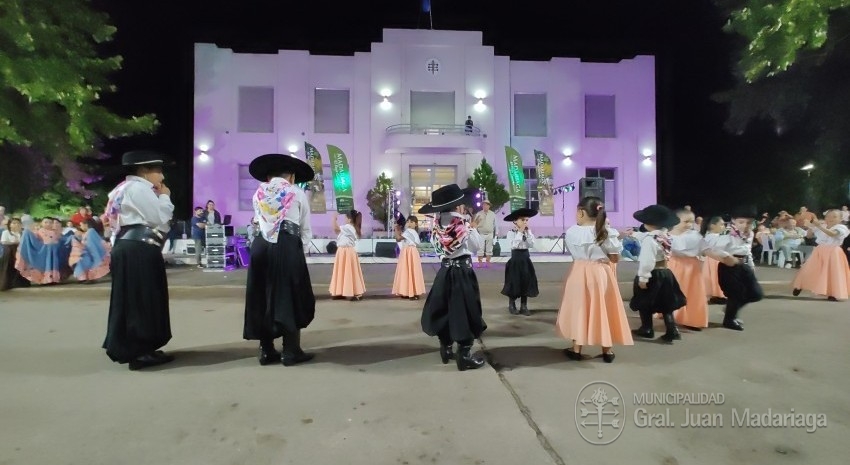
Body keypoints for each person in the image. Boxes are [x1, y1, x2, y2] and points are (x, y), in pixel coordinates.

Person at [102, 150, 175, 370]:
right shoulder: (138, 188)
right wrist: (165, 197)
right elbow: (159, 218)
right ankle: (140, 350)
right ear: (144, 171)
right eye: (158, 171)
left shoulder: (121, 189)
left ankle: (141, 346)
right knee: (143, 297)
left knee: (133, 297)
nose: (161, 177)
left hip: (128, 246)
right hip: (139, 248)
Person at [243, 153, 316, 366]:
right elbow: (305, 228)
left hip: (261, 245)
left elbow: (259, 222)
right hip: (286, 243)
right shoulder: (296, 192)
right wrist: (297, 250)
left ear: (268, 176)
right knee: (290, 294)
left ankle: (266, 350)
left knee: (262, 294)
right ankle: (291, 350)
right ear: (291, 176)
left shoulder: (258, 193)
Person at [419, 184, 487, 371]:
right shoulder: (462, 226)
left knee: (445, 310)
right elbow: (475, 246)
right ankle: (464, 356)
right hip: (462, 273)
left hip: (445, 272)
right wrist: (472, 228)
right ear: (457, 206)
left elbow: (439, 249)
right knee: (466, 312)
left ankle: (446, 349)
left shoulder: (436, 226)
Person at [556, 196, 631, 363]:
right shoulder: (606, 232)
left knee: (579, 309)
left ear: (581, 212)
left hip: (577, 271)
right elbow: (615, 258)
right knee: (604, 308)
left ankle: (577, 349)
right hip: (600, 273)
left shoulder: (572, 232)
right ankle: (607, 351)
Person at [669, 209, 738, 330]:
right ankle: (670, 315)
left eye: (691, 222)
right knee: (671, 292)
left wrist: (724, 258)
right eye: (686, 221)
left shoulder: (694, 236)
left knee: (693, 294)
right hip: (672, 266)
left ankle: (691, 319)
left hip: (692, 268)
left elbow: (707, 249)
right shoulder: (666, 235)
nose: (690, 225)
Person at [629, 205, 687, 343]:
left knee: (645, 302)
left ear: (649, 223)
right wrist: (634, 234)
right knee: (666, 303)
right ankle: (672, 329)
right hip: (666, 273)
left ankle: (647, 328)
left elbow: (647, 261)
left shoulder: (650, 240)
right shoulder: (666, 236)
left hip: (652, 274)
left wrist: (643, 277)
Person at [708, 206, 762, 331]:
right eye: (741, 222)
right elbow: (715, 249)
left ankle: (730, 310)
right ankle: (729, 320)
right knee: (735, 294)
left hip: (743, 265)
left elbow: (747, 250)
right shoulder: (726, 233)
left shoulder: (750, 233)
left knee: (756, 294)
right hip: (729, 266)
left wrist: (751, 266)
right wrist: (727, 257)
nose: (745, 225)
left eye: (749, 222)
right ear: (733, 221)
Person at [792, 210, 850, 301]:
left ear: (840, 219)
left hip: (833, 251)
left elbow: (832, 234)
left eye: (834, 217)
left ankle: (833, 293)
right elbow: (809, 236)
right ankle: (800, 285)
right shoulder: (822, 225)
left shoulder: (842, 227)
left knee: (832, 273)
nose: (830, 219)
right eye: (828, 216)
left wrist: (818, 226)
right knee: (809, 269)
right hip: (820, 250)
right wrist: (810, 227)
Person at [501, 207, 539, 316]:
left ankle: (524, 305)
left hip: (525, 259)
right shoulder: (511, 233)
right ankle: (512, 304)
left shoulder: (528, 232)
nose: (525, 222)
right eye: (522, 220)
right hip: (515, 260)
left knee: (526, 282)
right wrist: (520, 232)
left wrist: (527, 233)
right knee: (514, 282)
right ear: (515, 221)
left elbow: (531, 244)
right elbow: (513, 245)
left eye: (526, 220)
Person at [329, 209, 366, 300]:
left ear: (349, 219)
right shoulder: (350, 227)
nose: (344, 219)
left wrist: (334, 218)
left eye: (345, 217)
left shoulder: (349, 227)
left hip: (347, 251)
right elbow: (338, 231)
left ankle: (354, 292)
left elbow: (336, 229)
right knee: (342, 272)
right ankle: (340, 291)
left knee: (349, 272)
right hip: (343, 251)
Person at [392, 215, 426, 300]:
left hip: (409, 252)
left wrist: (396, 229)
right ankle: (410, 291)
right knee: (410, 271)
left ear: (416, 224)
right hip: (408, 252)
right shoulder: (410, 231)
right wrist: (398, 230)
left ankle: (411, 292)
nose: (409, 223)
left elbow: (398, 238)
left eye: (412, 222)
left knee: (408, 271)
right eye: (408, 221)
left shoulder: (410, 231)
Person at [68, 218, 111, 283]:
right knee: (80, 260)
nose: (81, 227)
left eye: (81, 225)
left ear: (86, 225)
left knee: (85, 261)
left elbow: (92, 245)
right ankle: (84, 277)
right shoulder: (89, 232)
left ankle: (90, 278)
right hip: (88, 253)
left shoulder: (91, 232)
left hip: (92, 253)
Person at [0, 218, 29, 291]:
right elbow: (3, 242)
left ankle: (20, 283)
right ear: (9, 225)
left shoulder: (23, 233)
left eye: (17, 223)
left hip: (21, 252)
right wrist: (15, 243)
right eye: (13, 223)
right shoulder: (6, 232)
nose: (16, 225)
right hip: (10, 251)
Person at [473, 199, 497, 268]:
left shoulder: (492, 214)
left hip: (490, 233)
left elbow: (495, 224)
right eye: (484, 205)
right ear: (482, 206)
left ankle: (488, 262)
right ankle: (480, 262)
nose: (485, 206)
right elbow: (475, 223)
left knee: (489, 249)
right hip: (481, 233)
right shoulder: (479, 213)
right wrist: (475, 233)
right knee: (480, 249)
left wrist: (496, 234)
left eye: (487, 205)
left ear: (489, 206)